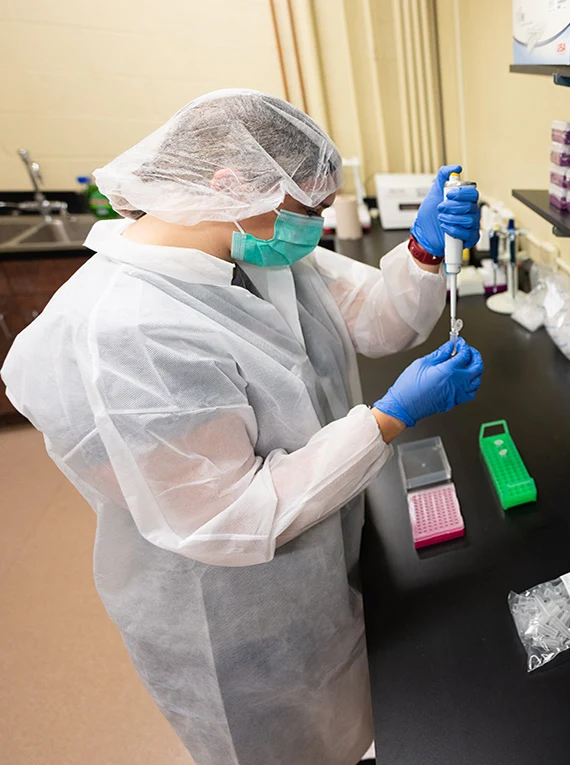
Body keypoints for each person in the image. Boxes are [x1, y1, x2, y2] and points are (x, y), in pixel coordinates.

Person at [0, 89, 484, 765]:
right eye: (308, 209)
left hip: (321, 551)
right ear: (232, 185)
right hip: (231, 611)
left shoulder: (255, 246)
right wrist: (387, 416)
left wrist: (425, 251)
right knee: (282, 743)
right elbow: (233, 514)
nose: (315, 227)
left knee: (346, 722)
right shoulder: (130, 330)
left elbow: (376, 318)